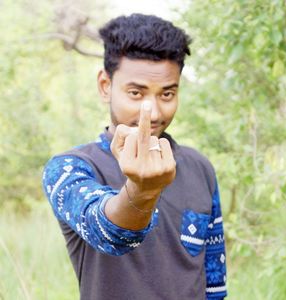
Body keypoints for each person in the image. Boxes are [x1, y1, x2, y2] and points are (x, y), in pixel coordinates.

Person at [42, 13, 227, 300]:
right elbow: (108, 233)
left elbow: (214, 284)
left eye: (166, 94)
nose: (151, 112)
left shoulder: (199, 167)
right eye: (136, 93)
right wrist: (143, 191)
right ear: (106, 86)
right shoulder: (70, 168)